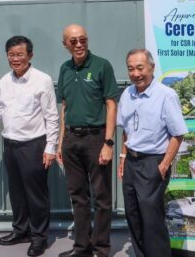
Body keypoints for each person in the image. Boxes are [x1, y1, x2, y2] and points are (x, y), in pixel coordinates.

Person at [0, 36, 58, 257]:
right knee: (17, 193)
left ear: (30, 55)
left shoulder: (42, 80)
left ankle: (39, 237)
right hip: (10, 145)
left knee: (36, 195)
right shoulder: (4, 82)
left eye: (20, 54)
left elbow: (52, 116)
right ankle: (21, 231)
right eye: (11, 55)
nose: (15, 59)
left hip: (34, 145)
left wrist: (51, 147)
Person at [117, 49, 187, 257]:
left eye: (140, 68)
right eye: (131, 69)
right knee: (133, 214)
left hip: (153, 163)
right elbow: (126, 131)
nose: (135, 73)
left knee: (151, 218)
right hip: (131, 162)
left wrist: (163, 166)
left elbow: (178, 134)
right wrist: (122, 158)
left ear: (152, 67)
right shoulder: (127, 94)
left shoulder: (166, 95)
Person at [56, 24, 118, 257]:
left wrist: (108, 143)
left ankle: (101, 249)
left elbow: (111, 105)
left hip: (96, 139)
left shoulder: (102, 65)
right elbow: (65, 106)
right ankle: (81, 247)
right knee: (78, 196)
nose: (79, 44)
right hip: (71, 139)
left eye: (83, 39)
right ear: (65, 44)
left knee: (101, 197)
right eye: (73, 41)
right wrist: (61, 141)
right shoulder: (64, 69)